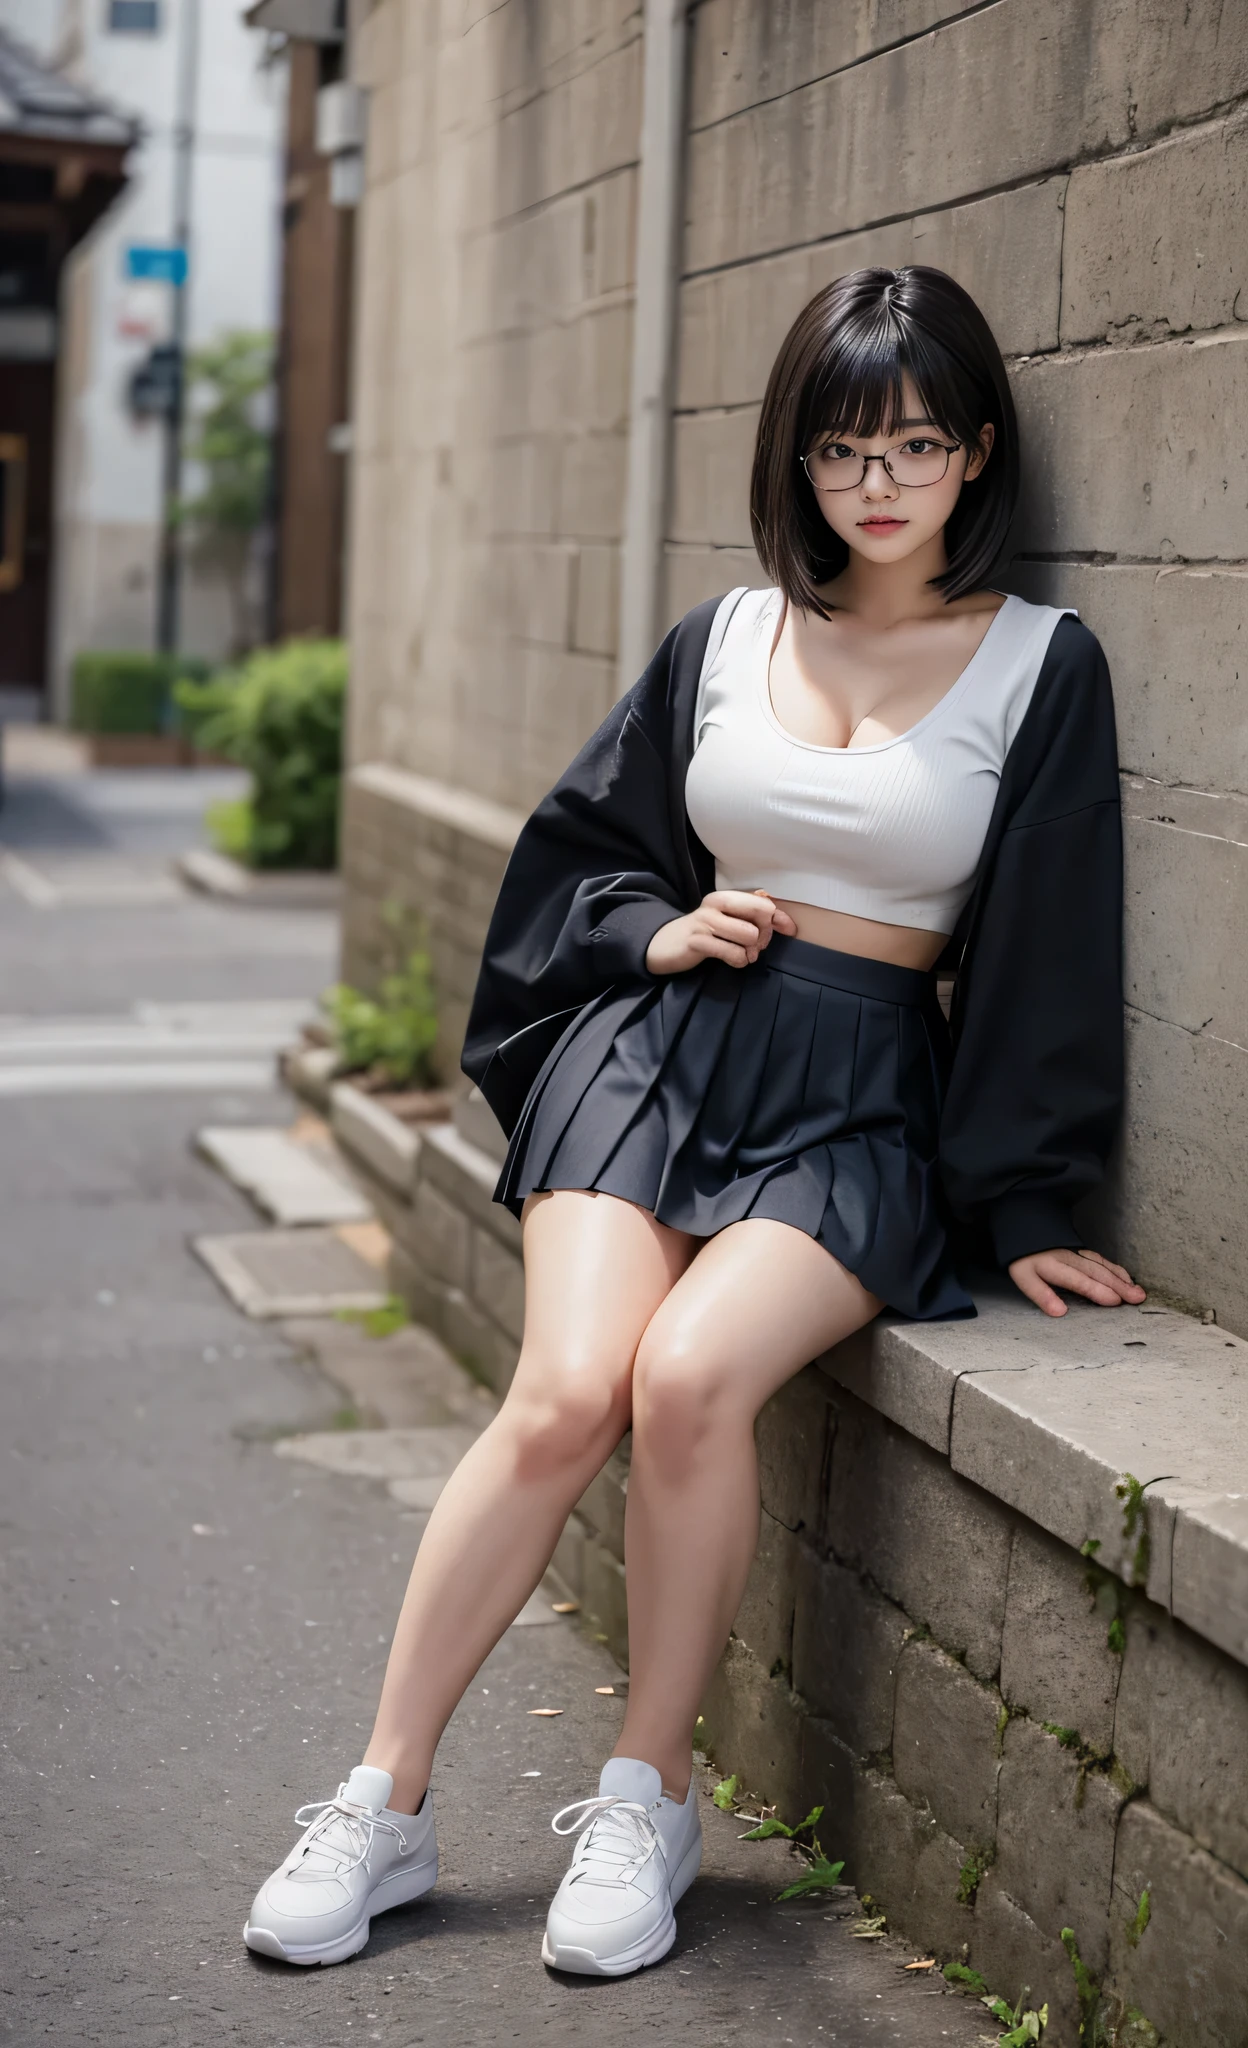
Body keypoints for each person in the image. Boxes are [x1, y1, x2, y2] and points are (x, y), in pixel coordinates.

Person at [243, 265, 1144, 1978]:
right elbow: (584, 848)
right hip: (659, 1052)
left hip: (854, 1095)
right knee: (571, 1386)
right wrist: (648, 933)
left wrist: (1027, 1207)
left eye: (914, 446)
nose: (875, 485)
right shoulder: (724, 636)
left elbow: (1050, 944)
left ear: (977, 456)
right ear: (795, 463)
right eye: (840, 451)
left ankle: (647, 1797)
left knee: (687, 1381)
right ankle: (385, 1796)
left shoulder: (1043, 666)